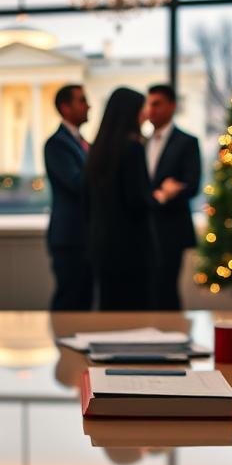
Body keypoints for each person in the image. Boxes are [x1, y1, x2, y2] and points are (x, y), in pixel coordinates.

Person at [87, 87, 155, 310]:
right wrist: (158, 196)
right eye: (141, 109)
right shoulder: (133, 148)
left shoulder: (98, 150)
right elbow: (137, 200)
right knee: (134, 315)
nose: (145, 114)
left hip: (104, 244)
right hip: (131, 247)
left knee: (110, 311)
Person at [144, 84, 202, 310]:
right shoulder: (142, 142)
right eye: (149, 104)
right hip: (145, 229)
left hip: (171, 229)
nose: (151, 110)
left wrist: (171, 192)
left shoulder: (187, 142)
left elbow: (192, 185)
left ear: (172, 106)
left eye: (157, 104)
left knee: (166, 290)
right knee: (146, 291)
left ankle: (173, 337)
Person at [44, 84, 93, 311]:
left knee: (83, 301)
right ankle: (63, 346)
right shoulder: (57, 144)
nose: (88, 105)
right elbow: (76, 183)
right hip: (69, 237)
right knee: (69, 300)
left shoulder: (81, 142)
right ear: (65, 108)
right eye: (82, 100)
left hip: (83, 236)